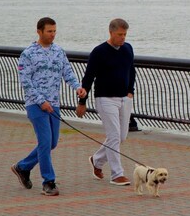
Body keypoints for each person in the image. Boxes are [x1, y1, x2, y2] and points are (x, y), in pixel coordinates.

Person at [11, 17, 87, 196]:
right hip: (36, 105)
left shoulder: (59, 51)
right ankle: (49, 181)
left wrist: (78, 87)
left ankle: (22, 167)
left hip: (53, 103)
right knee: (44, 142)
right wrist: (40, 101)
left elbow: (67, 72)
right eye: (49, 31)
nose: (52, 35)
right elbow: (26, 82)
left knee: (51, 143)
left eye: (54, 31)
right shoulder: (28, 54)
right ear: (39, 31)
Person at [76, 18, 136, 186]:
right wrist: (82, 102)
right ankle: (117, 174)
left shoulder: (128, 48)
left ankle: (97, 160)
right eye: (119, 35)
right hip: (105, 98)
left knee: (121, 137)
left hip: (125, 98)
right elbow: (88, 78)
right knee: (114, 136)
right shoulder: (99, 52)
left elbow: (132, 70)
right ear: (111, 33)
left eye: (125, 34)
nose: (122, 38)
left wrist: (130, 91)